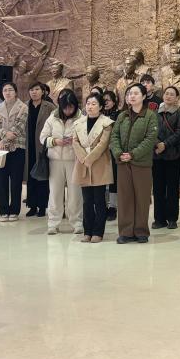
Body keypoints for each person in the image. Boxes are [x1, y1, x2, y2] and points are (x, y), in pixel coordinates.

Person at [109, 83, 158, 243]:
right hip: (123, 163)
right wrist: (118, 153)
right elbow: (114, 136)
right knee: (125, 198)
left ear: (143, 96)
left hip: (141, 164)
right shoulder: (122, 116)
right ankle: (125, 232)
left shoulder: (150, 116)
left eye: (136, 93)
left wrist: (133, 154)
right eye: (130, 93)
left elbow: (150, 139)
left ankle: (141, 231)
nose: (132, 96)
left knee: (142, 198)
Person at [72, 92, 114, 242]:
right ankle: (87, 231)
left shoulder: (106, 123)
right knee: (87, 201)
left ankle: (98, 232)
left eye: (94, 104)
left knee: (99, 200)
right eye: (88, 103)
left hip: (99, 163)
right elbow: (75, 141)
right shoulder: (78, 123)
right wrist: (84, 158)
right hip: (83, 164)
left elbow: (103, 144)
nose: (90, 106)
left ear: (101, 106)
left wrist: (89, 158)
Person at [40, 89, 82, 236]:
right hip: (55, 160)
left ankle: (77, 222)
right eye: (65, 107)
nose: (68, 110)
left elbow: (87, 138)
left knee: (75, 193)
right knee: (55, 192)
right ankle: (53, 223)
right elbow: (43, 137)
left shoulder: (81, 118)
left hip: (74, 160)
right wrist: (55, 141)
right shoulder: (52, 117)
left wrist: (75, 141)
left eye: (71, 107)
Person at [0, 82, 28, 223]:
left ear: (15, 92)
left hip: (17, 148)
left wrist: (4, 139)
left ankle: (14, 211)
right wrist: (4, 134)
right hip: (0, 149)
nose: (7, 92)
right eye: (5, 90)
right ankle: (3, 211)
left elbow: (18, 129)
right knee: (1, 181)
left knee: (16, 181)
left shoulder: (23, 107)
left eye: (10, 90)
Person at [153, 86, 180, 230]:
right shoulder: (155, 113)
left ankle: (172, 218)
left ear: (176, 98)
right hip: (157, 155)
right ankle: (159, 219)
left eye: (172, 94)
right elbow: (151, 130)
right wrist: (157, 144)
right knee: (158, 188)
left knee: (172, 188)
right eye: (166, 93)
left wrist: (164, 144)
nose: (168, 96)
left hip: (173, 155)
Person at [24, 82, 55, 218]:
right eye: (31, 89)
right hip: (28, 146)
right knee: (31, 177)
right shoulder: (25, 106)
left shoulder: (50, 107)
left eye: (37, 89)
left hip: (42, 147)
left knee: (42, 177)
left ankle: (42, 206)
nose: (34, 92)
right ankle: (32, 205)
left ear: (43, 91)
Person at [101, 90, 120, 220]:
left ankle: (113, 207)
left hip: (113, 150)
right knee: (102, 179)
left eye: (108, 100)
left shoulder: (119, 115)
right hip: (100, 151)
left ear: (114, 101)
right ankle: (102, 206)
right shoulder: (99, 115)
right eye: (104, 100)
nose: (106, 102)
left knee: (113, 179)